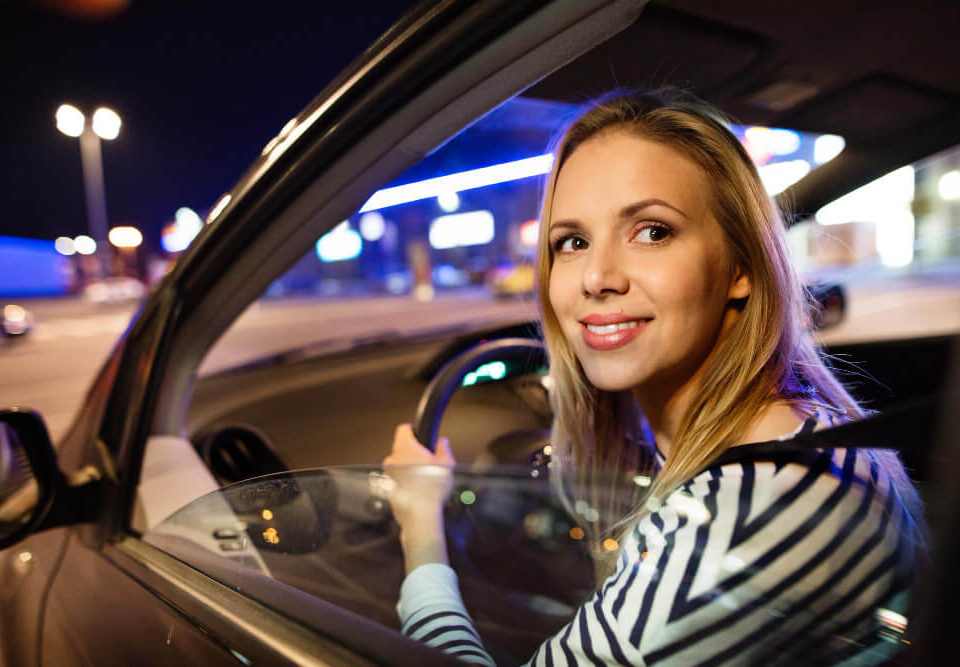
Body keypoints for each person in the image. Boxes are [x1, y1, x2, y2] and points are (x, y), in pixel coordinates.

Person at [383, 90, 924, 665]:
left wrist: (421, 528)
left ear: (741, 266)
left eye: (652, 232)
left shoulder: (754, 509)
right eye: (572, 242)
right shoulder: (796, 432)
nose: (596, 276)